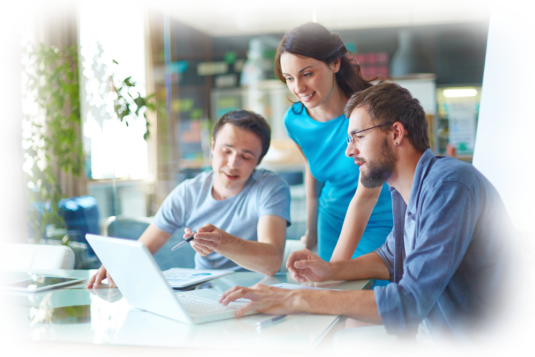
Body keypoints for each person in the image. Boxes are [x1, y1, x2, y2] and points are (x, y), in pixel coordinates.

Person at [219, 82, 535, 356]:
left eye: (357, 136)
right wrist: (329, 269)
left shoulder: (449, 185)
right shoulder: (405, 189)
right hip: (428, 344)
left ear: (396, 132)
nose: (348, 152)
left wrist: (293, 298)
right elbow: (391, 256)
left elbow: (408, 303)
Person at [87, 110, 291, 288]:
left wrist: (222, 242)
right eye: (226, 151)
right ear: (212, 146)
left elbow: (271, 262)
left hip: (256, 292)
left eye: (245, 157)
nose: (232, 163)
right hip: (205, 291)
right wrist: (117, 265)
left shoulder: (270, 187)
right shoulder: (188, 193)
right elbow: (143, 249)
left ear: (258, 161)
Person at [276, 22, 393, 263]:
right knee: (331, 293)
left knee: (360, 294)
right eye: (289, 78)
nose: (298, 88)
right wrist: (310, 233)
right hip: (330, 221)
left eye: (307, 74)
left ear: (335, 63)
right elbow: (313, 170)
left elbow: (369, 194)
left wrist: (334, 268)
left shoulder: (370, 112)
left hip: (380, 220)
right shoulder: (294, 121)